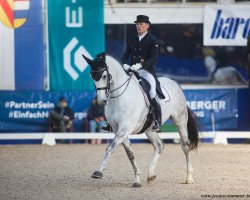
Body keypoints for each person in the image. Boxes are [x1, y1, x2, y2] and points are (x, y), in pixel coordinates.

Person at [122, 15, 162, 132]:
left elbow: (154, 59)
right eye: (137, 24)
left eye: (141, 24)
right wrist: (124, 64)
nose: (138, 26)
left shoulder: (152, 40)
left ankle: (157, 121)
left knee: (152, 91)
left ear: (147, 25)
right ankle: (113, 121)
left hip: (146, 72)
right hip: (132, 71)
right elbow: (124, 56)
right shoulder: (132, 40)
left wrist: (140, 65)